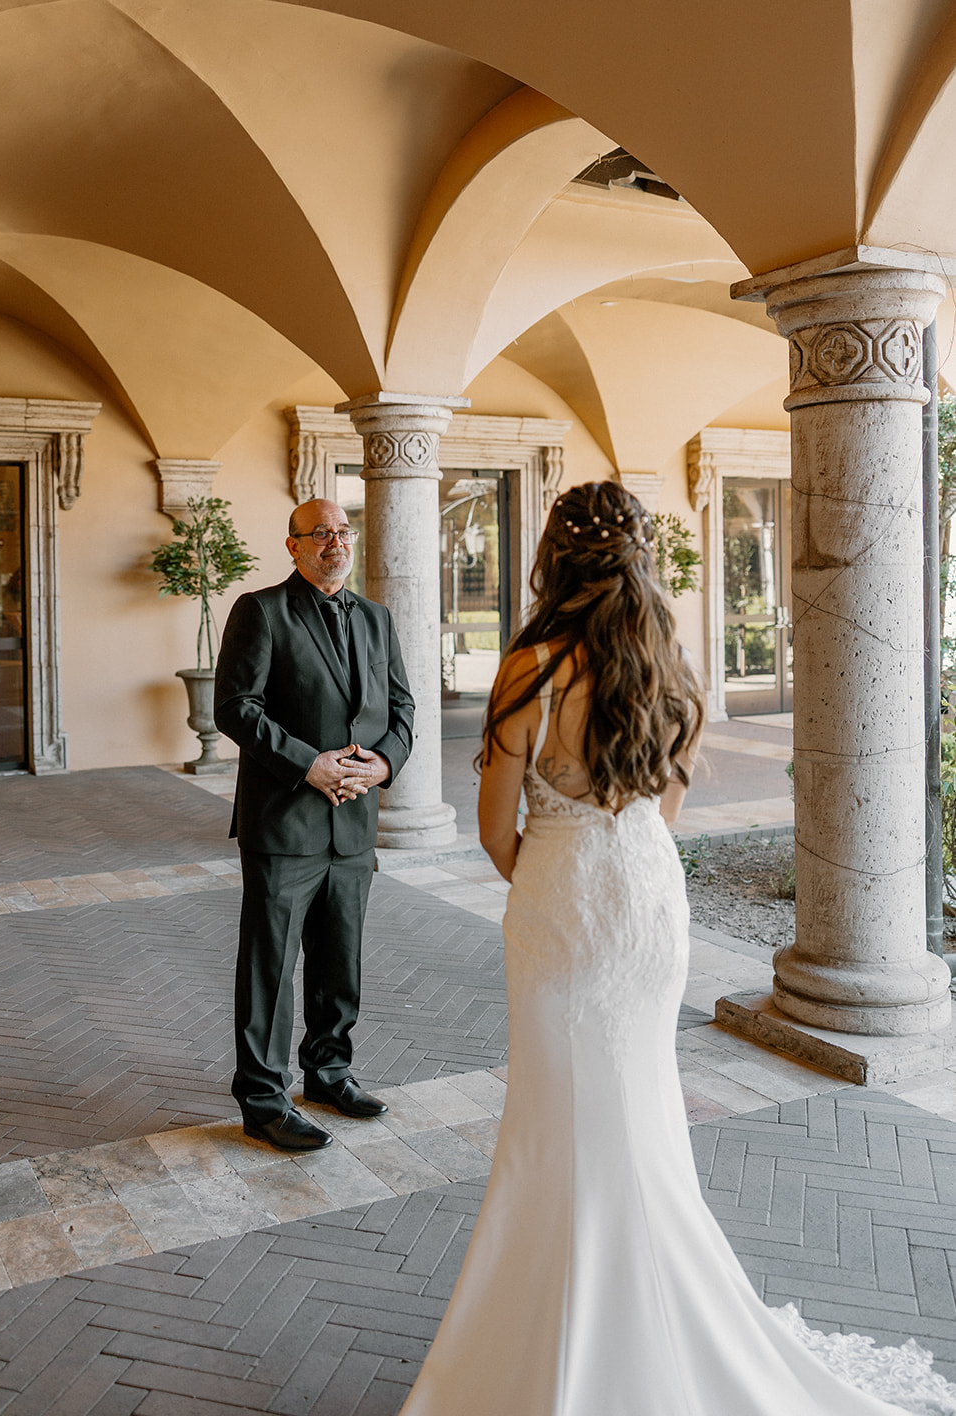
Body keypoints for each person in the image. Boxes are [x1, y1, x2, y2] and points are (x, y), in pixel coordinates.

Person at [401, 480, 956, 1416]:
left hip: (565, 907)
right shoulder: (668, 658)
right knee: (639, 1114)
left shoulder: (530, 666)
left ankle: (567, 1337)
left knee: (558, 1121)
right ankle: (639, 1317)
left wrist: (554, 884)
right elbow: (667, 805)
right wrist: (611, 858)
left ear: (554, 555)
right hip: (648, 898)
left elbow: (497, 831)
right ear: (636, 554)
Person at [213, 496, 414, 1153]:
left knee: (339, 960)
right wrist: (309, 765)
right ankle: (263, 1100)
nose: (335, 541)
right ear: (293, 545)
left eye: (343, 531)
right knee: (270, 968)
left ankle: (328, 1073)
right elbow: (235, 707)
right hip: (285, 823)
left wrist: (382, 765)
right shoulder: (261, 611)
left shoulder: (378, 619)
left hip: (354, 824)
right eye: (319, 533)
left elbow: (403, 708)